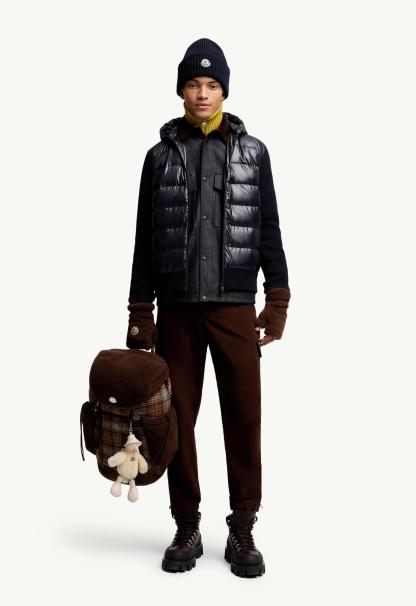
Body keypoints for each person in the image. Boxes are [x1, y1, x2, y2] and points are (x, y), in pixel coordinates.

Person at [126, 38, 291, 577]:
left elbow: (267, 227)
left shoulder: (253, 153)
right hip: (177, 310)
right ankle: (187, 524)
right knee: (176, 419)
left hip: (235, 309)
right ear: (181, 91)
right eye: (194, 84)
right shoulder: (158, 158)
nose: (202, 93)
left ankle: (242, 526)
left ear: (224, 91)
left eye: (212, 84)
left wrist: (278, 297)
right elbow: (144, 238)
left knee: (244, 417)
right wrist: (140, 310)